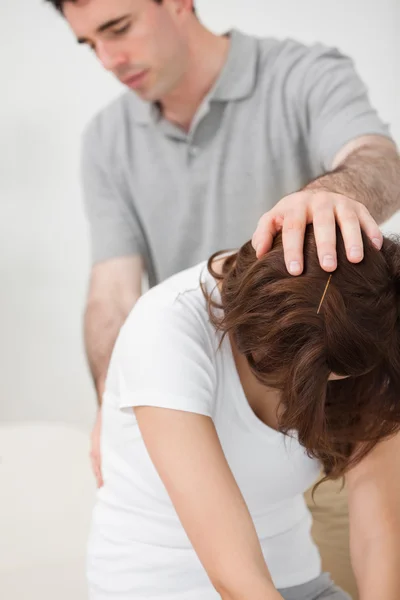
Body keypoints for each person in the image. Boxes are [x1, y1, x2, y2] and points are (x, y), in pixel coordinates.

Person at [45, 0, 400, 490]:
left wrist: (328, 196)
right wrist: (115, 399)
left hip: (333, 424)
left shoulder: (302, 74)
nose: (108, 59)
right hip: (204, 431)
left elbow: (380, 161)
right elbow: (112, 294)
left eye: (119, 29)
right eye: (90, 45)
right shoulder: (107, 139)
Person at [86, 225, 400, 599]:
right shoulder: (165, 330)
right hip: (165, 586)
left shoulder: (374, 317)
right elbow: (235, 578)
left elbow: (379, 527)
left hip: (299, 582)